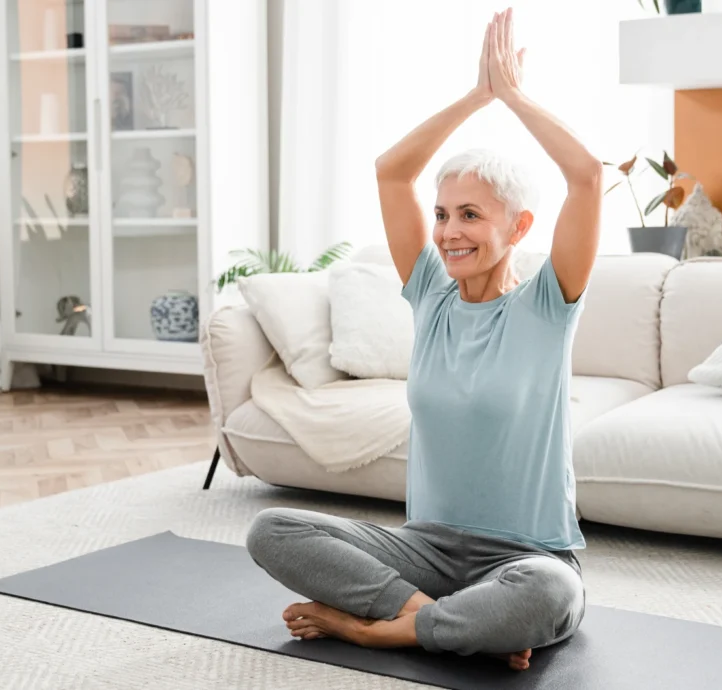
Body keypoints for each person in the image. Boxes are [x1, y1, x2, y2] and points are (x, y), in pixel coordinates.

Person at [245, 8, 602, 672]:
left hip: (525, 558)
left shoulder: (548, 305)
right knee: (273, 530)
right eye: (442, 215)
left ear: (519, 227)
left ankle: (373, 630)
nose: (448, 233)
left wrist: (514, 97)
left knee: (552, 593)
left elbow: (585, 175)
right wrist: (477, 95)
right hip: (426, 554)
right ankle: (436, 621)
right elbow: (391, 173)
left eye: (470, 215)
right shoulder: (432, 298)